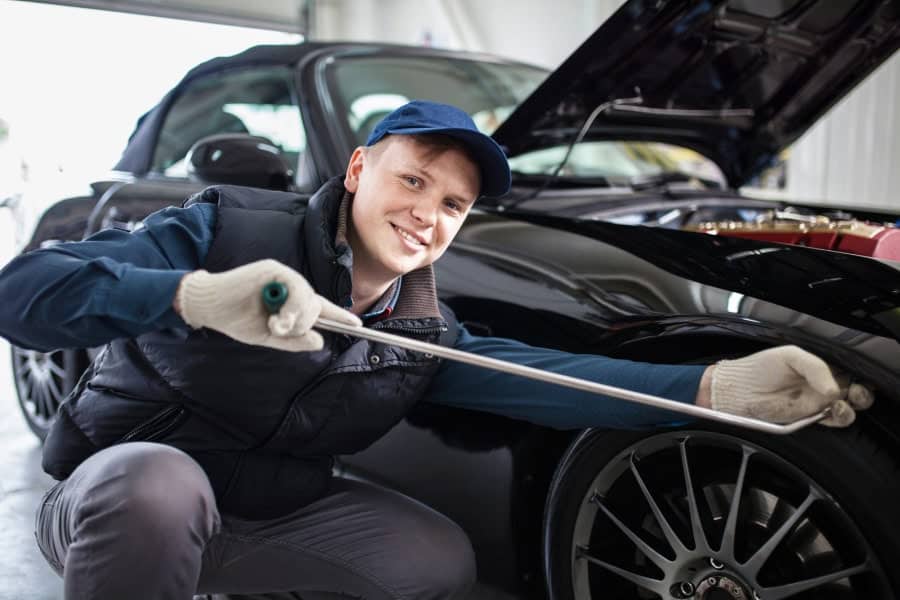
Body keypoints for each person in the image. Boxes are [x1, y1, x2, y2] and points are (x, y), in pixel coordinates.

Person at [0, 101, 873, 600]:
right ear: (356, 171)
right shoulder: (222, 229)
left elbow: (548, 380)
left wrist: (720, 388)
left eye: (452, 204)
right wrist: (194, 295)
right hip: (117, 505)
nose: (428, 212)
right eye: (412, 179)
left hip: (265, 516)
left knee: (436, 558)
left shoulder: (420, 330)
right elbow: (24, 293)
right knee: (153, 481)